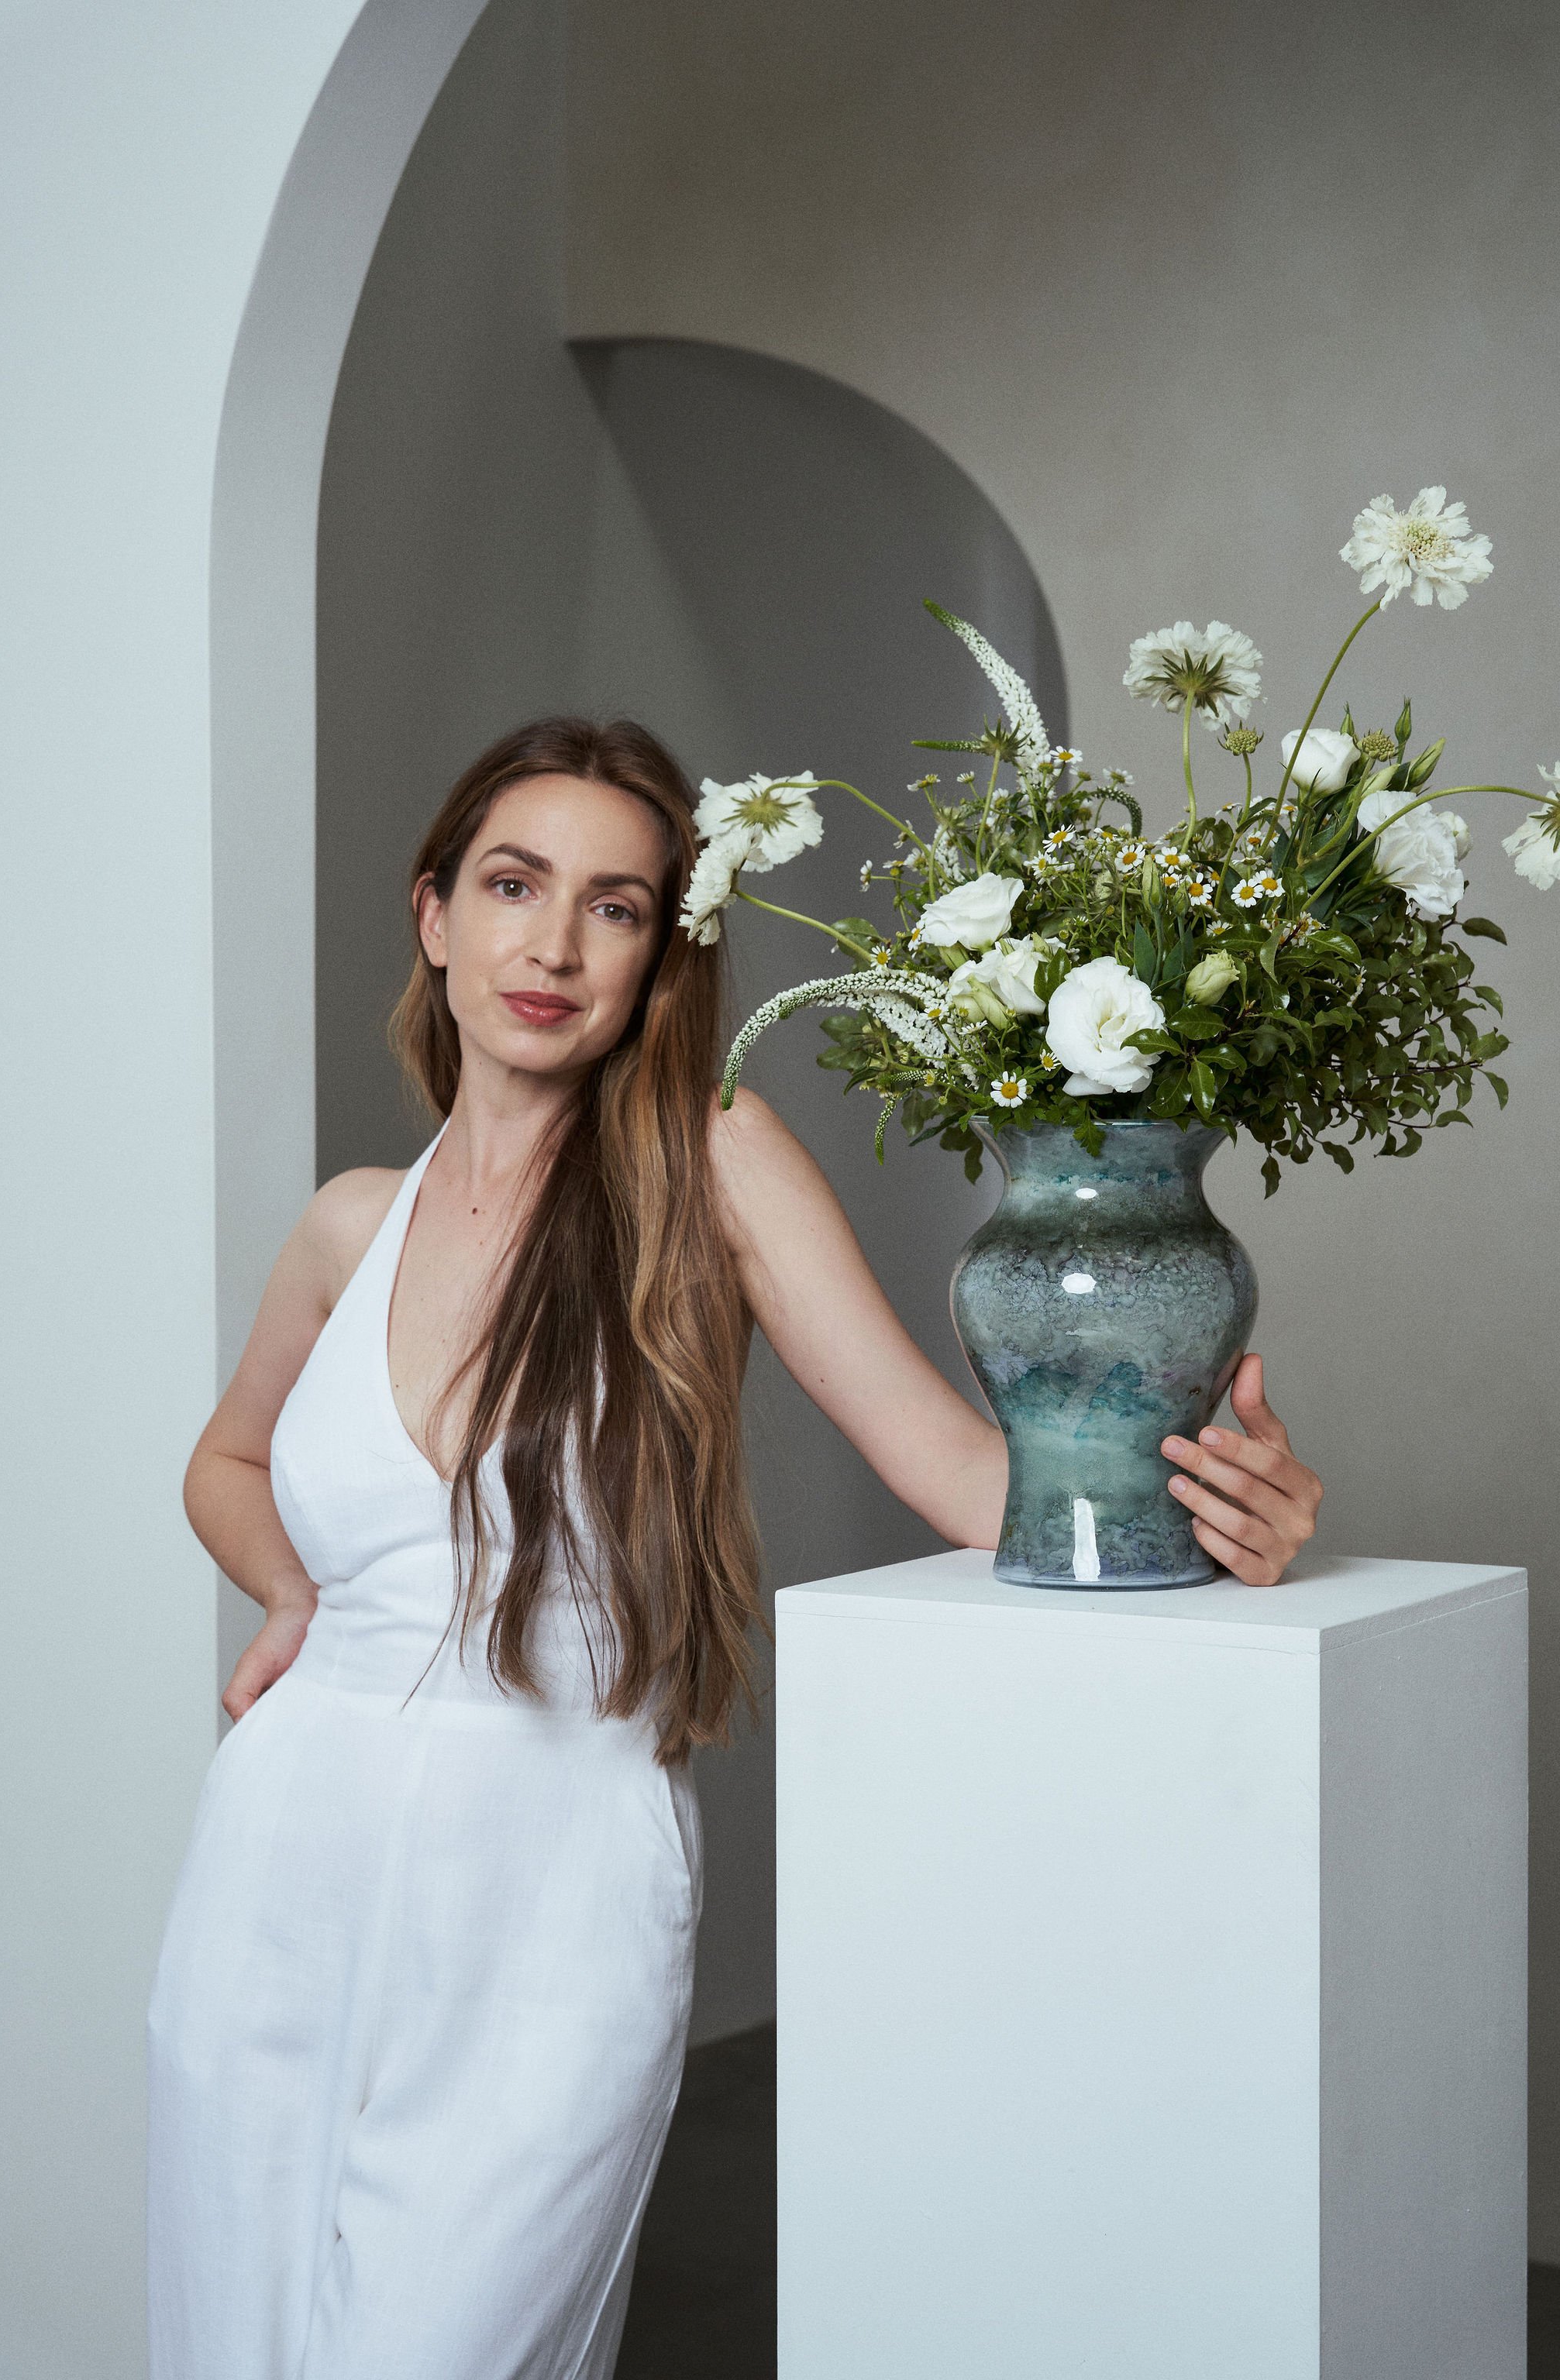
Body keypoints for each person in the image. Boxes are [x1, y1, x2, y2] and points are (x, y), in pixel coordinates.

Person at [146, 717, 1323, 2380]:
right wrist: (290, 1591)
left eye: (616, 906)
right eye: (511, 884)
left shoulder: (712, 1165)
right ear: (433, 916)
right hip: (279, 1864)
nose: (552, 943)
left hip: (555, 1891)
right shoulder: (351, 1219)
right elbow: (227, 1457)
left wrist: (1214, 1499)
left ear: (663, 955)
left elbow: (966, 1473)